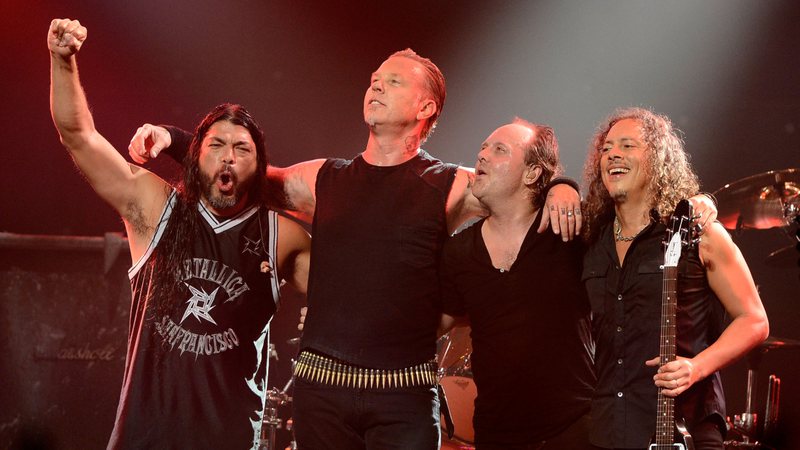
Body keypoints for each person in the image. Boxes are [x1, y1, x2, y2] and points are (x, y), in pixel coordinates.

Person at [128, 50, 583, 448]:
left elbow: (515, 185)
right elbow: (253, 177)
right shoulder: (324, 178)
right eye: (373, 81)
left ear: (425, 106)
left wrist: (562, 186)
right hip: (322, 393)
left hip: (404, 396)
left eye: (393, 81)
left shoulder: (452, 185)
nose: (376, 86)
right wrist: (173, 138)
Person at [48, 19, 311, 450]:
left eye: (241, 148)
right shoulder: (156, 209)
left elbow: (347, 303)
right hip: (143, 438)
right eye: (216, 145)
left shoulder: (281, 236)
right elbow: (79, 136)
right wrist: (63, 60)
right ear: (194, 157)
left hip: (229, 441)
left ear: (258, 163)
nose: (228, 157)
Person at [580, 107, 769, 449]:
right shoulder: (592, 241)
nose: (613, 155)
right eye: (606, 148)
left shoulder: (699, 234)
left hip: (685, 427)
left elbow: (754, 319)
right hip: (610, 428)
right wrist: (558, 189)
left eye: (627, 145)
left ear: (658, 159)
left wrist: (696, 367)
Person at [438, 118, 596, 449]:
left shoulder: (567, 229)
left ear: (532, 173)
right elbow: (433, 323)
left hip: (575, 428)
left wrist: (565, 183)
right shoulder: (459, 252)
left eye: (499, 150)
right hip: (498, 434)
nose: (481, 155)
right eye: (483, 147)